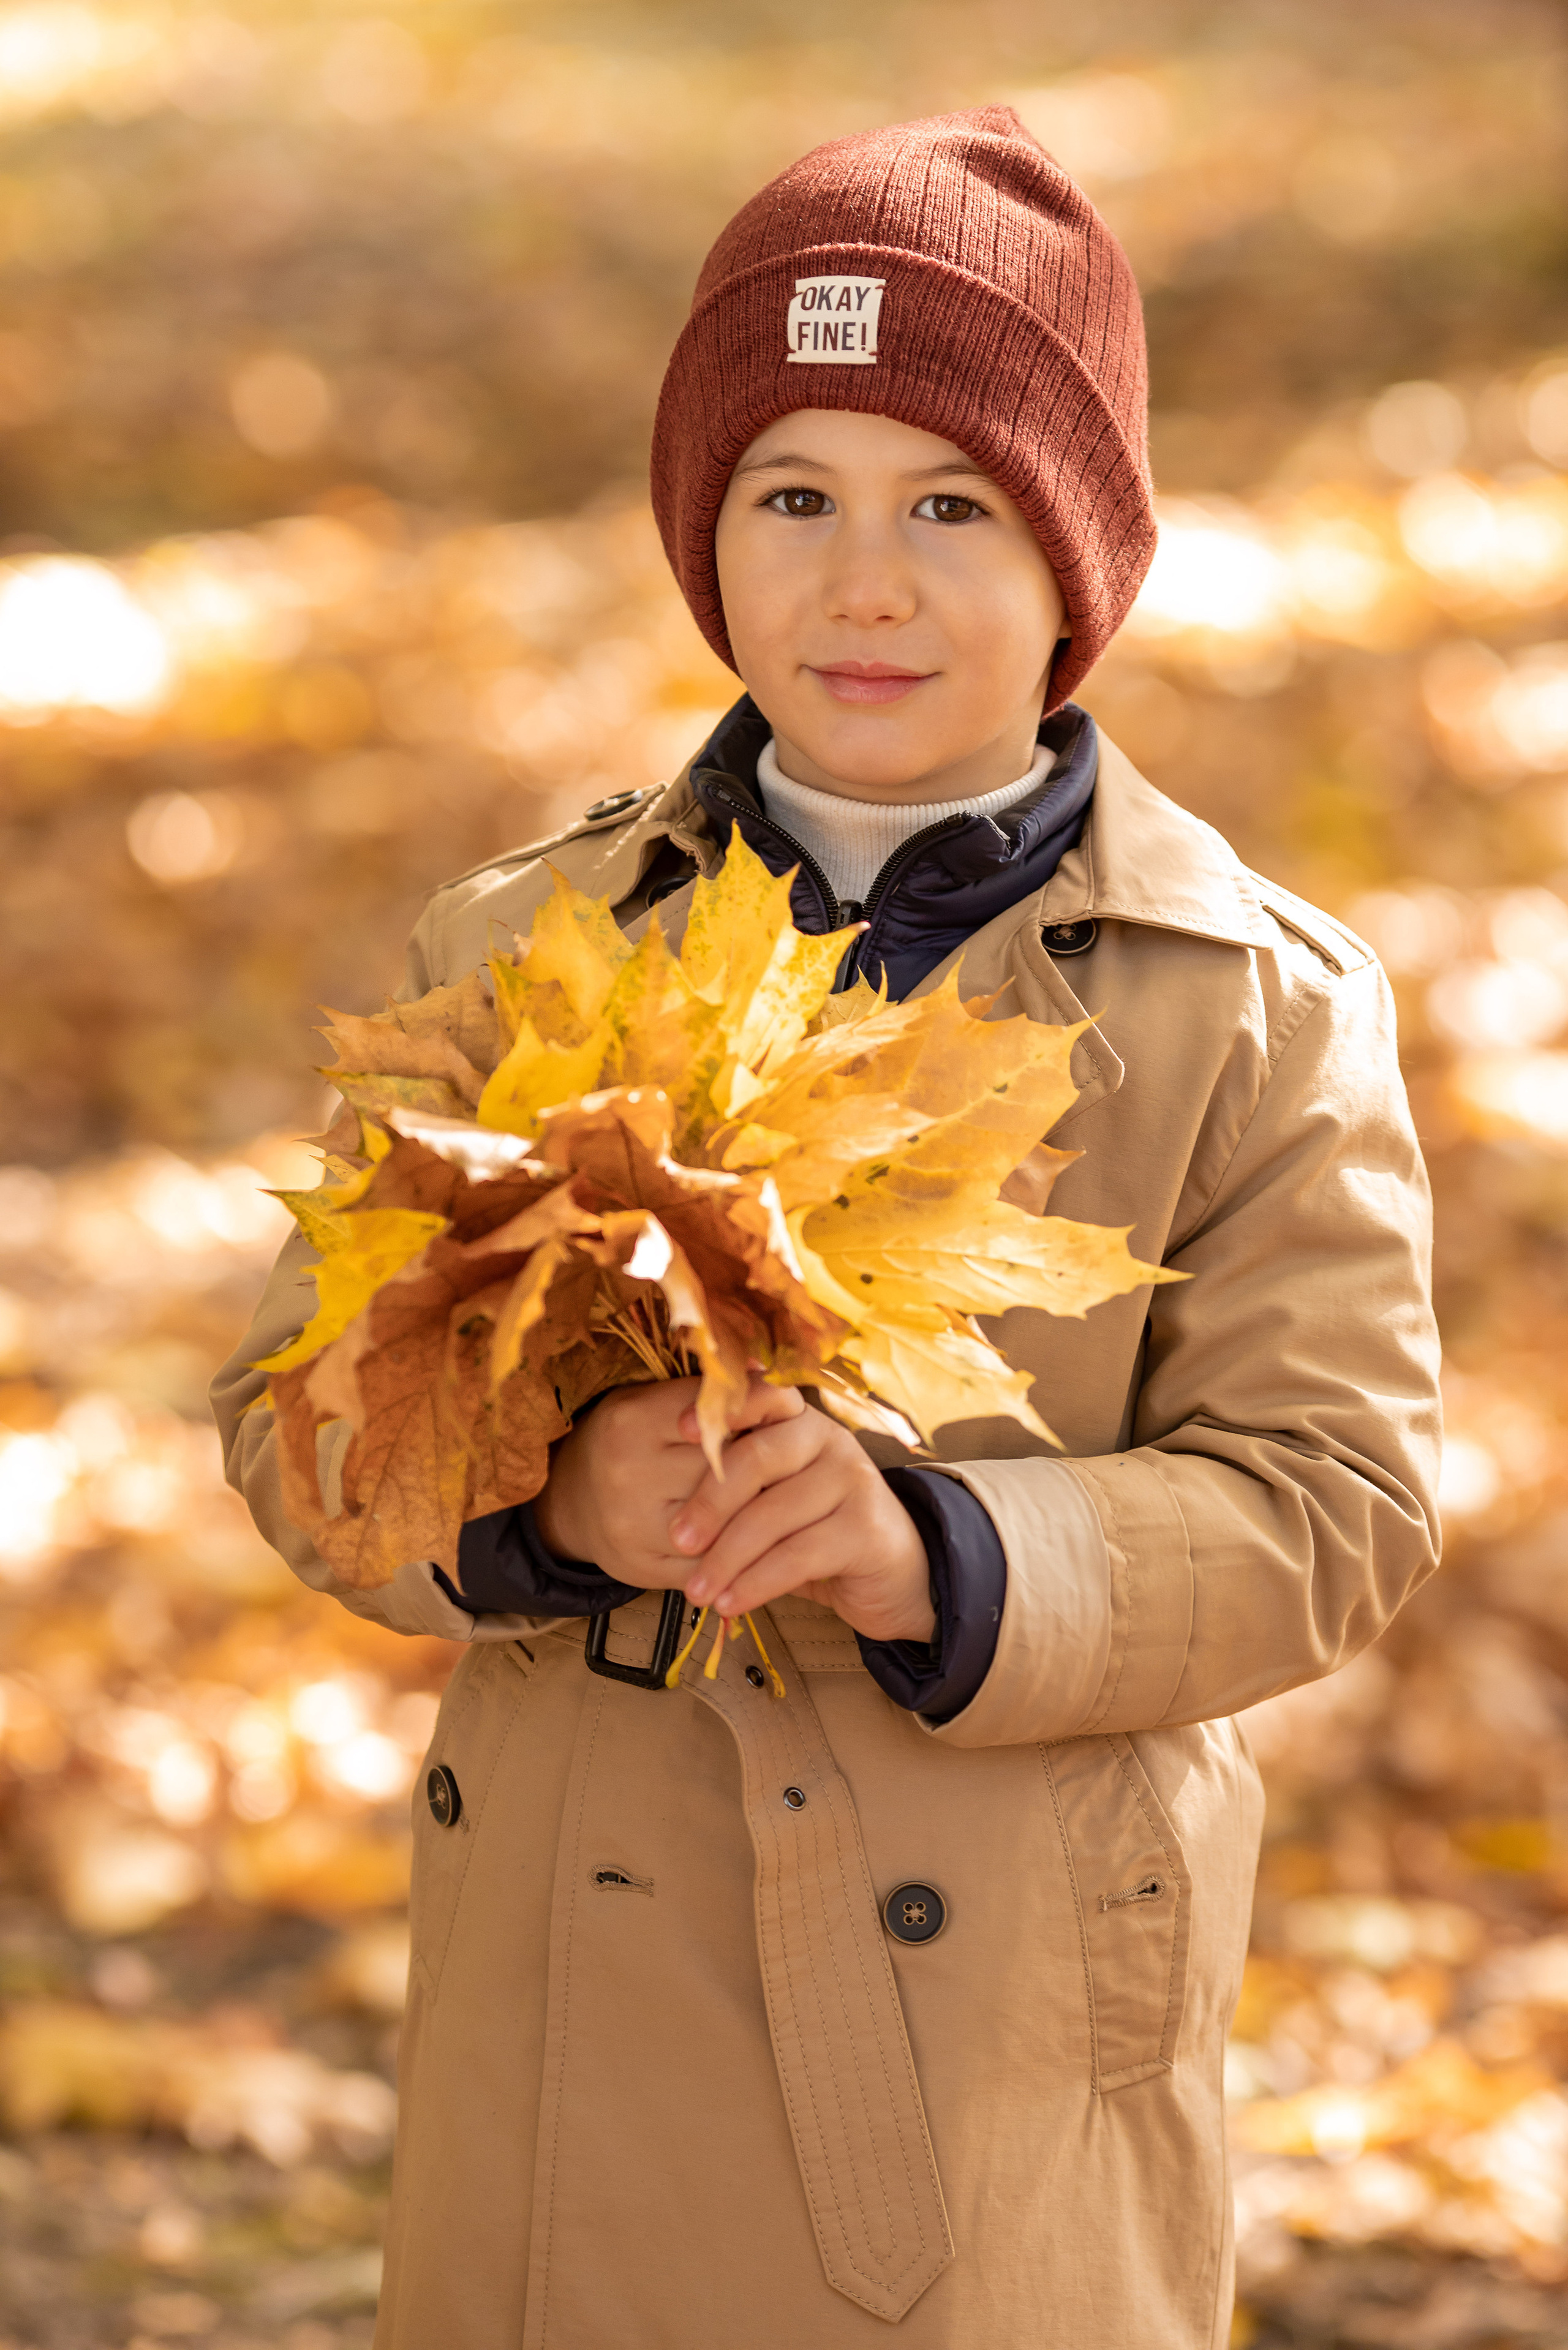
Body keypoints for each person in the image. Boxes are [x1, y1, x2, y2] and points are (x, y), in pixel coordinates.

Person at [213, 106, 1441, 2349]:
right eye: (795, 497)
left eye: (950, 506)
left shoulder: (1249, 1004)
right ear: (707, 539)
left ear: (1083, 559)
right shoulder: (524, 948)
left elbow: (1334, 1504)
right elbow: (299, 1413)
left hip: (993, 2023)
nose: (865, 583)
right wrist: (544, 1495)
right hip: (577, 1993)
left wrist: (941, 1558)